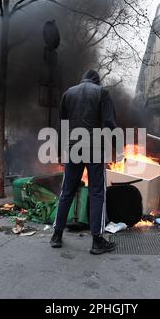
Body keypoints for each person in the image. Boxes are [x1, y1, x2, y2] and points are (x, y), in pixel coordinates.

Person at [51, 70, 117, 255]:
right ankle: (97, 241)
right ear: (97, 81)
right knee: (97, 192)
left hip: (73, 147)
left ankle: (57, 235)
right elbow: (109, 122)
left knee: (67, 191)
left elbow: (62, 126)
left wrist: (59, 151)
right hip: (95, 147)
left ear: (82, 79)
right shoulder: (102, 92)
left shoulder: (68, 93)